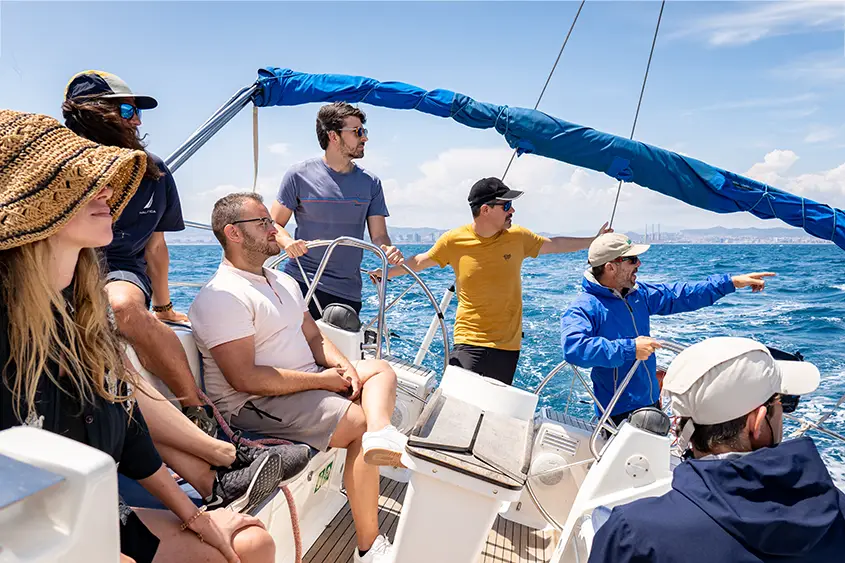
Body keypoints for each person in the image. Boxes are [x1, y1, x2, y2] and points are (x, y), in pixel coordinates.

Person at [0, 109, 274, 563]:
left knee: (251, 544)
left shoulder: (81, 318)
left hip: (93, 516)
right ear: (31, 202)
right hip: (29, 538)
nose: (106, 191)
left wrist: (195, 515)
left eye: (102, 179)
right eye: (78, 182)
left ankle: (218, 470)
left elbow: (128, 433)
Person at [189, 192, 409, 563]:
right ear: (234, 233)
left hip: (303, 385)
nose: (276, 228)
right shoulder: (223, 296)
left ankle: (379, 436)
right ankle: (368, 548)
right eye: (263, 223)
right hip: (254, 405)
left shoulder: (280, 280)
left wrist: (343, 367)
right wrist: (323, 382)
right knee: (356, 421)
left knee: (381, 370)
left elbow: (313, 335)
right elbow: (246, 380)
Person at [589, 337, 845, 563]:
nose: (782, 414)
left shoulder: (632, 534)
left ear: (680, 428)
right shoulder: (838, 514)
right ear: (757, 423)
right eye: (779, 402)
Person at [62, 70, 215, 434]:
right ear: (92, 113)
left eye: (136, 110)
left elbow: (155, 245)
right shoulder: (62, 170)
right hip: (60, 267)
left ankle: (196, 410)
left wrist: (162, 307)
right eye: (127, 109)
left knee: (121, 307)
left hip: (119, 269)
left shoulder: (154, 172)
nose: (137, 119)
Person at [375, 177, 610, 385]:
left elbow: (555, 244)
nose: (512, 211)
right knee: (457, 408)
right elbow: (419, 262)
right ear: (486, 210)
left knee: (491, 414)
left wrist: (594, 240)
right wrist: (383, 273)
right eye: (506, 205)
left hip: (508, 347)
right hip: (469, 341)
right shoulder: (454, 241)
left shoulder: (517, 237)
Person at [560, 232, 775, 424]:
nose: (639, 264)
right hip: (618, 413)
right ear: (610, 267)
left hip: (651, 400)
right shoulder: (585, 307)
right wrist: (631, 348)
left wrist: (731, 282)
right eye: (632, 259)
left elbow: (681, 294)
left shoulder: (638, 294)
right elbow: (574, 348)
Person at [269, 102, 403, 320]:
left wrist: (388, 250)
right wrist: (287, 243)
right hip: (301, 282)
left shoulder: (371, 183)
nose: (364, 138)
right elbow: (273, 224)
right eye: (357, 132)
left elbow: (379, 235)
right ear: (333, 136)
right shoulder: (297, 175)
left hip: (347, 292)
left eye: (364, 131)